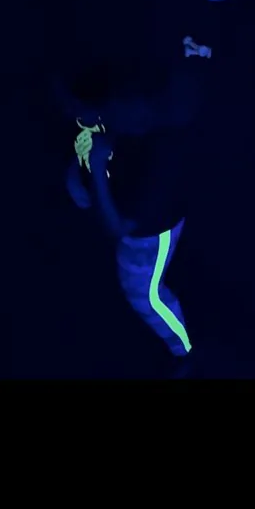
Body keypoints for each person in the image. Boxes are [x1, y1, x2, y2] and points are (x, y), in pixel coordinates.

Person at [62, 37, 212, 368]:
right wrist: (77, 168)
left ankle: (185, 352)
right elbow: (93, 134)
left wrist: (96, 172)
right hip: (132, 201)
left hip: (150, 234)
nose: (75, 115)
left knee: (145, 295)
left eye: (81, 109)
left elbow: (119, 228)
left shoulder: (156, 161)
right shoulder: (120, 113)